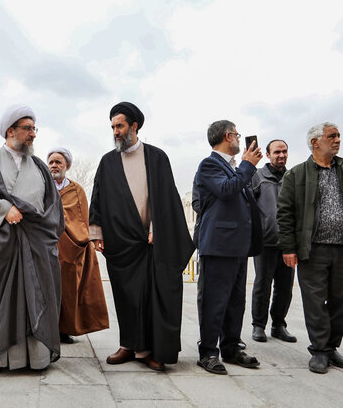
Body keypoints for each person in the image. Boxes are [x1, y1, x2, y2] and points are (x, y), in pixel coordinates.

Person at [89, 102, 195, 371]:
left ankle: (151, 350)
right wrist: (96, 232)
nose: (115, 131)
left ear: (134, 126)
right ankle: (128, 345)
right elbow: (98, 198)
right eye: (112, 127)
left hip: (151, 242)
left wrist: (157, 228)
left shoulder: (157, 157)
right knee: (125, 295)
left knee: (152, 297)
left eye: (120, 126)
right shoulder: (107, 161)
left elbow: (168, 199)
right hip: (120, 242)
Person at [0, 105, 64, 374]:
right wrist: (4, 208)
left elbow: (54, 207)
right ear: (11, 131)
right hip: (2, 245)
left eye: (34, 129)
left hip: (36, 244)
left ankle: (37, 358)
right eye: (27, 128)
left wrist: (41, 230)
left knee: (39, 296)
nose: (33, 134)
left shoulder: (40, 166)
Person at [277, 122, 343, 374]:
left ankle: (331, 348)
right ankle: (319, 351)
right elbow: (284, 214)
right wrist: (289, 247)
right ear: (315, 142)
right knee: (315, 302)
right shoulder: (296, 174)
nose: (337, 140)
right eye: (332, 136)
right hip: (313, 250)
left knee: (342, 302)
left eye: (339, 135)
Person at [195, 120, 263, 375]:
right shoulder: (210, 164)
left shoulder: (235, 168)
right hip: (218, 245)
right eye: (237, 134)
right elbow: (225, 190)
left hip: (238, 246)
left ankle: (232, 347)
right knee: (214, 301)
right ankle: (208, 352)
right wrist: (247, 165)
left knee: (236, 301)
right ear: (227, 135)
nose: (239, 138)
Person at [47, 147, 109, 344]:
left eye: (58, 162)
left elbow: (82, 219)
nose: (54, 165)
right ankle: (45, 329)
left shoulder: (76, 189)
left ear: (67, 166)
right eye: (51, 162)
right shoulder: (41, 187)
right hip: (46, 246)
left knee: (69, 290)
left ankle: (64, 329)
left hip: (71, 248)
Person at [250, 140, 296, 343]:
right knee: (262, 285)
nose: (282, 155)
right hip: (265, 242)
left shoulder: (293, 177)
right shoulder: (257, 176)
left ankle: (278, 325)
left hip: (288, 243)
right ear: (268, 155)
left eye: (285, 151)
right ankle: (258, 325)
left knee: (285, 287)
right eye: (277, 152)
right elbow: (248, 206)